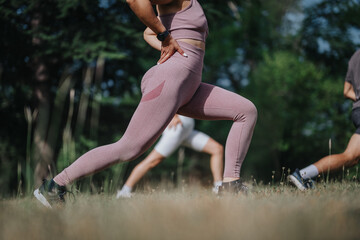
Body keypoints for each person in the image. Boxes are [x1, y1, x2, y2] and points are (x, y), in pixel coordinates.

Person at [34, 0, 257, 208]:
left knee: (246, 111)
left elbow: (147, 32)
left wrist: (165, 39)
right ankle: (54, 186)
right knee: (129, 148)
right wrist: (166, 38)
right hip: (170, 78)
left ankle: (230, 185)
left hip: (189, 84)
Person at [288, 49, 360, 190]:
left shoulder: (355, 57)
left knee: (351, 157)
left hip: (357, 110)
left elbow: (346, 91)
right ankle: (303, 175)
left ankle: (303, 175)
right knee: (351, 156)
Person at [116, 114, 224, 198]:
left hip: (187, 130)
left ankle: (218, 188)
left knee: (217, 149)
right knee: (152, 161)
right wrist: (173, 115)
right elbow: (167, 98)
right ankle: (124, 191)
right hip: (176, 129)